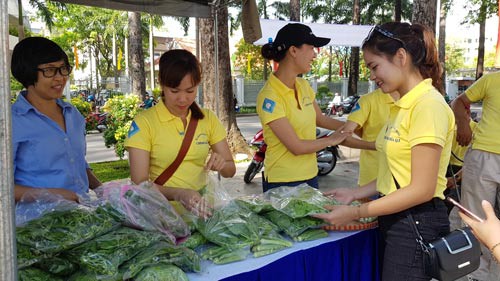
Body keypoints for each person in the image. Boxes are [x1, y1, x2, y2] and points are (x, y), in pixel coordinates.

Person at [313, 22, 455, 280]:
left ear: (401, 57)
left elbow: (421, 188)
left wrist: (356, 212)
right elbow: (397, 176)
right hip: (396, 216)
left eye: (375, 66)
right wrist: (355, 193)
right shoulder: (401, 105)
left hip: (416, 221)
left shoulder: (427, 106)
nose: (372, 76)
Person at [125, 49, 236, 217]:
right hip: (163, 216)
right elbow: (140, 185)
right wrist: (179, 193)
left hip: (203, 213)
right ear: (161, 83)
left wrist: (221, 164)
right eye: (175, 91)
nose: (183, 99)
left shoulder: (208, 119)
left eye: (190, 91)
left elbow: (230, 170)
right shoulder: (144, 123)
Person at [256, 23, 350, 192]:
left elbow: (320, 119)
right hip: (282, 183)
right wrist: (330, 140)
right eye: (312, 48)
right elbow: (297, 147)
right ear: (293, 50)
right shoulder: (269, 97)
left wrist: (353, 126)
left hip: (310, 176)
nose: (314, 55)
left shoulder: (303, 85)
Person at [11, 37, 101, 203]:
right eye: (50, 70)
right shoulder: (11, 122)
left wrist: (101, 189)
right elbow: (4, 187)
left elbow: (77, 163)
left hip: (83, 216)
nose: (60, 78)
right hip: (37, 223)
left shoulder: (72, 114)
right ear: (28, 72)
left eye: (63, 69)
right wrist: (52, 194)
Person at [451, 71, 500, 281]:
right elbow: (459, 102)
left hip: (483, 158)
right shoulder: (492, 79)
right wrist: (463, 126)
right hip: (484, 155)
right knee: (475, 218)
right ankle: (474, 275)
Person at [343, 89, 398, 186]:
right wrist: (376, 145)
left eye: (376, 72)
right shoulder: (368, 100)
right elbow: (344, 136)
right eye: (372, 72)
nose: (372, 77)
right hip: (372, 179)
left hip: (405, 179)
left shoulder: (419, 100)